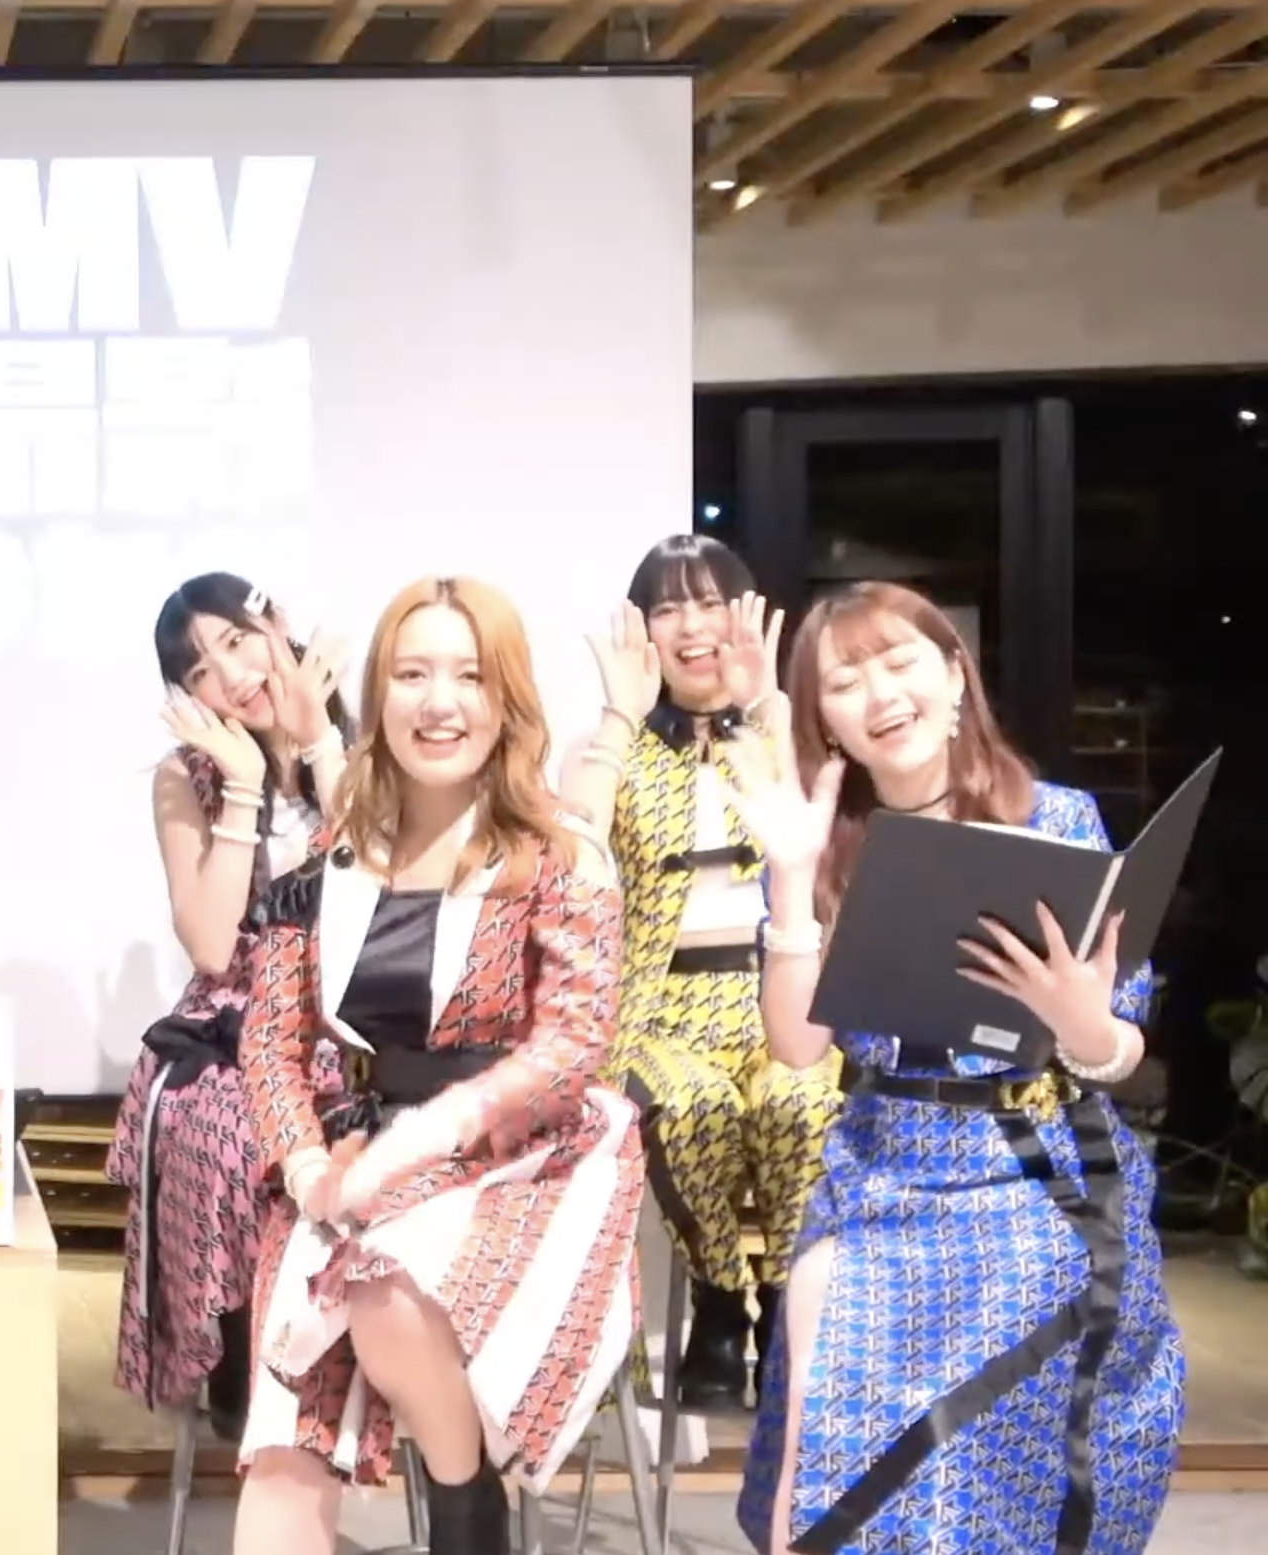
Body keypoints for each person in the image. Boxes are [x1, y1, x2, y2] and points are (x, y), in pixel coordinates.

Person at [729, 580, 1184, 1555]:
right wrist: (791, 883)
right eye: (844, 681)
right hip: (883, 1170)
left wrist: (1080, 1021)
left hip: (1042, 1171)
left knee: (1037, 1314)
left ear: (953, 674)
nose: (880, 694)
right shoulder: (825, 845)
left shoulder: (1057, 819)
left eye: (900, 662)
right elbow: (799, 1045)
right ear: (825, 721)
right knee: (823, 1348)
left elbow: (1121, 1049)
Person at [236, 576, 643, 1555]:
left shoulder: (561, 851)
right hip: (359, 1155)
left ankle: (467, 1508)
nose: (439, 701)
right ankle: (461, 1506)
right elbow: (270, 1041)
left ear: (507, 699)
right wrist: (305, 1162)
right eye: (413, 674)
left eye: (469, 675)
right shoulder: (327, 854)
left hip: (525, 1157)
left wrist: (418, 1143)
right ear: (379, 695)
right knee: (282, 1455)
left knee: (382, 1285)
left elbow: (569, 1048)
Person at [558, 534, 841, 1410]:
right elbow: (570, 854)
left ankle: (789, 1312)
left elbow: (821, 841)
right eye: (668, 607)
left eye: (712, 603)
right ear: (641, 628)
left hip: (780, 997)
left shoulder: (790, 734)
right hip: (659, 1010)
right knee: (691, 1107)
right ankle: (720, 1304)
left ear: (746, 615)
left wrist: (767, 709)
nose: (692, 626)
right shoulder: (609, 746)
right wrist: (619, 717)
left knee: (800, 1104)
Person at [110, 573, 353, 1438]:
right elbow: (212, 945)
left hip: (350, 1014)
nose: (232, 675)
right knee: (216, 1121)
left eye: (238, 641)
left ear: (277, 623)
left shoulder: (363, 748)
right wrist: (246, 789)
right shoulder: (186, 778)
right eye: (200, 670)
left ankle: (339, 1346)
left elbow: (388, 888)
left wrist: (318, 745)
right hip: (239, 1009)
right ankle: (239, 1347)